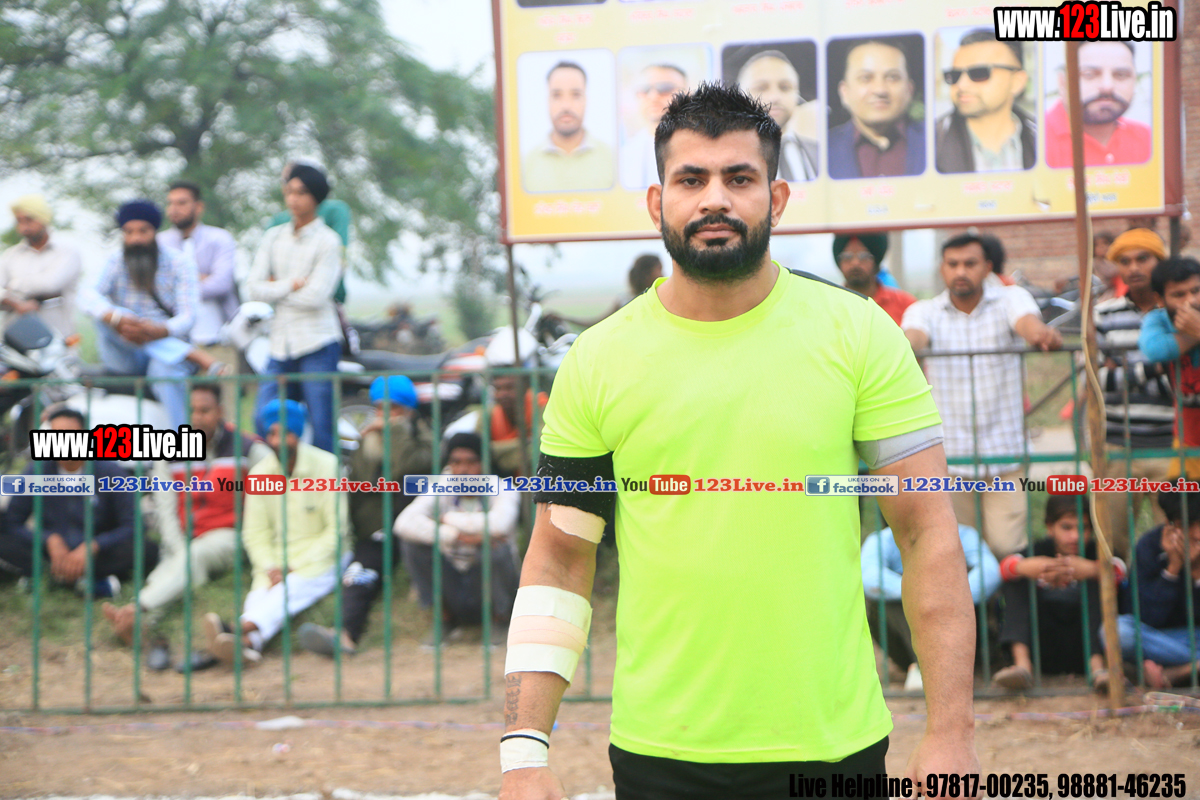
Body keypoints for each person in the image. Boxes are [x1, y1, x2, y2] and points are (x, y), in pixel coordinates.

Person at [499, 83, 979, 800]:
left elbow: (927, 533)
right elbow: (559, 559)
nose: (715, 199)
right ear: (658, 202)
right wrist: (522, 756)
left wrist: (951, 734)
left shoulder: (859, 335)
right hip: (660, 756)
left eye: (740, 178)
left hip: (832, 748)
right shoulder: (597, 361)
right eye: (691, 179)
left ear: (777, 199)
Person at [901, 233, 1063, 558]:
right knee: (961, 551)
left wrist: (1040, 335)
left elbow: (1027, 323)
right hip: (952, 456)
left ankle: (1009, 591)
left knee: (1006, 546)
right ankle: (978, 594)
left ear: (987, 267)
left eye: (970, 263)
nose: (961, 271)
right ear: (942, 269)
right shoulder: (924, 310)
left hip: (1006, 453)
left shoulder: (1010, 298)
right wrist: (903, 347)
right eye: (953, 264)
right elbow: (913, 337)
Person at [102, 385, 268, 671]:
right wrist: (177, 547)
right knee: (167, 572)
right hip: (184, 538)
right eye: (193, 410)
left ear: (221, 411)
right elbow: (165, 508)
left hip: (229, 536)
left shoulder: (247, 448)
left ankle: (134, 609)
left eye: (205, 410)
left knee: (193, 558)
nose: (198, 417)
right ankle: (140, 625)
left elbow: (273, 483)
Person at [202, 399, 346, 665]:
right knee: (259, 596)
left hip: (322, 557)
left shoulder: (327, 466)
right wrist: (270, 567)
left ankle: (234, 629)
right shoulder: (260, 474)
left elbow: (336, 532)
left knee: (291, 588)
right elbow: (254, 533)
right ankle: (247, 645)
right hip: (274, 563)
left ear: (297, 435)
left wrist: (293, 565)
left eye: (285, 433)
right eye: (272, 434)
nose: (277, 441)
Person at [298, 376, 434, 657]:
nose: (384, 416)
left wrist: (395, 433)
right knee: (360, 573)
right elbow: (358, 488)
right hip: (375, 532)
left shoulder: (425, 440)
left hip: (415, 529)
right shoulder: (368, 442)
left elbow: (408, 468)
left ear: (408, 411)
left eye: (393, 409)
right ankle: (345, 634)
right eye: (380, 409)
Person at [0, 408, 158, 597]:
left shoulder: (110, 472)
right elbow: (12, 521)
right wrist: (48, 539)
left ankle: (47, 577)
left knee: (145, 550)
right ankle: (86, 581)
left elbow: (134, 525)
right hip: (50, 552)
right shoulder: (37, 471)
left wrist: (95, 545)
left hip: (98, 554)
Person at [246, 163, 344, 453]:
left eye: (301, 192)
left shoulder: (329, 241)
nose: (293, 199)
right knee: (263, 418)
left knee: (322, 427)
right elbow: (252, 288)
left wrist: (275, 288)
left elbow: (317, 296)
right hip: (280, 343)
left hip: (318, 342)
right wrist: (292, 284)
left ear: (315, 196)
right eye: (289, 191)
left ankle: (325, 482)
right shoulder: (273, 236)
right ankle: (278, 478)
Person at [82, 200, 200, 430]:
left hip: (164, 349)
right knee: (109, 315)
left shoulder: (179, 262)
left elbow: (188, 316)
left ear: (154, 231)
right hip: (125, 351)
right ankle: (198, 357)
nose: (135, 239)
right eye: (129, 232)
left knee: (165, 370)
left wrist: (160, 330)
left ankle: (180, 443)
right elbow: (87, 296)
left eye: (142, 231)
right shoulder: (114, 261)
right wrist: (118, 319)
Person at [394, 432, 520, 646]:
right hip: (454, 581)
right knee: (412, 545)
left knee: (496, 548)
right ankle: (445, 619)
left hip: (490, 585)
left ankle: (501, 619)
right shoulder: (441, 486)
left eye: (471, 462)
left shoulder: (502, 487)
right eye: (456, 462)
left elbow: (499, 525)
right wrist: (455, 535)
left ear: (484, 463)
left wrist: (447, 519)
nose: (463, 469)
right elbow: (403, 523)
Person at [1092, 229, 1173, 556]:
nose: (1134, 268)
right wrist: (1157, 367)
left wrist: (1124, 371)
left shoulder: (1179, 314)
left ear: (1160, 261)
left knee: (1176, 542)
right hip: (1117, 446)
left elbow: (1179, 384)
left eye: (1143, 258)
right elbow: (1096, 381)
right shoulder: (1103, 314)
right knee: (1112, 544)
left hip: (1170, 444)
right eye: (1124, 261)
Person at [993, 497, 1126, 692]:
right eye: (1066, 527)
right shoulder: (1039, 549)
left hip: (1084, 647)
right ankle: (1022, 666)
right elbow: (1004, 568)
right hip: (1043, 647)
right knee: (1017, 580)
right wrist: (1030, 567)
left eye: (1083, 528)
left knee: (1100, 578)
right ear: (1049, 527)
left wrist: (1091, 569)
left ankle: (1098, 670)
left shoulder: (1097, 550)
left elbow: (1121, 570)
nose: (1075, 536)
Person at [862, 524, 1000, 691]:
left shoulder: (964, 534)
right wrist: (922, 593)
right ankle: (923, 665)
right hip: (906, 633)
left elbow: (990, 572)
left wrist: (948, 597)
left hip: (957, 629)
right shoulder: (882, 539)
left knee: (959, 575)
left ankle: (941, 665)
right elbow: (868, 577)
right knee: (887, 597)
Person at [1106, 490, 1200, 689]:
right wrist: (1173, 569)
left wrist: (1196, 572)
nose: (1196, 534)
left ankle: (1181, 671)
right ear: (1171, 525)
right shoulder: (1149, 546)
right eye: (1188, 525)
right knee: (1118, 632)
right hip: (1159, 639)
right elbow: (1143, 617)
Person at [935, 30, 1035, 174]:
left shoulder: (1045, 138)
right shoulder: (930, 143)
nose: (962, 85)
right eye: (954, 75)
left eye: (979, 73)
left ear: (1017, 82)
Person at [158, 182, 239, 353]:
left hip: (220, 336)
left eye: (181, 203)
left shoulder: (219, 238)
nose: (174, 209)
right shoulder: (160, 243)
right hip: (173, 339)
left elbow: (221, 284)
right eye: (170, 203)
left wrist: (179, 285)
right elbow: (157, 288)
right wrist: (200, 278)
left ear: (199, 207)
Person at [1138, 257, 1200, 479]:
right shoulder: (1158, 319)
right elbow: (1155, 348)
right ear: (1160, 300)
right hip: (1188, 440)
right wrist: (1194, 335)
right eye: (1179, 294)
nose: (1191, 300)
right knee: (1178, 496)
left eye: (1196, 290)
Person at [829, 40, 925, 179]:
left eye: (892, 77)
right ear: (844, 92)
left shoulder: (935, 142)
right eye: (865, 78)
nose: (880, 90)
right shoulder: (823, 149)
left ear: (909, 90)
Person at [1045, 41, 1151, 168]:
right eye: (1089, 74)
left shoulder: (1149, 140)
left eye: (1121, 75)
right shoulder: (1036, 140)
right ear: (1062, 83)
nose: (1107, 86)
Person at [268, 160, 351, 307]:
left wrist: (278, 289)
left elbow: (339, 256)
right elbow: (266, 274)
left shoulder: (335, 211)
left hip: (327, 298)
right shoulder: (278, 223)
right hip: (282, 307)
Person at [522, 61, 614, 193]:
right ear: (547, 100)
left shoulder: (613, 161)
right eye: (557, 95)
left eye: (575, 95)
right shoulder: (525, 166)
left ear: (585, 99)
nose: (566, 105)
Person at [0, 194, 82, 338]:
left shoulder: (67, 253)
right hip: (15, 339)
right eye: (19, 221)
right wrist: (17, 304)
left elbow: (51, 283)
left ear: (43, 219)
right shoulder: (10, 256)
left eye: (29, 220)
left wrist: (12, 287)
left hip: (58, 338)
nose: (24, 227)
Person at [737, 51, 818, 182]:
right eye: (761, 88)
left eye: (785, 87)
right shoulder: (727, 157)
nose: (774, 97)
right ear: (740, 96)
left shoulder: (821, 153)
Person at [620, 64, 688, 190]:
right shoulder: (625, 153)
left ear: (686, 95)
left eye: (665, 88)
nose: (653, 96)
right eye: (645, 90)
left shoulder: (702, 146)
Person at [549, 254, 664, 328]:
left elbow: (597, 323)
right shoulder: (626, 300)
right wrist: (565, 318)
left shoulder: (625, 299)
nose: (663, 274)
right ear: (648, 273)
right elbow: (598, 323)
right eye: (659, 269)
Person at [832, 233, 914, 325]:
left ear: (875, 261)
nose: (855, 263)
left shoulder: (905, 305)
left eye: (864, 256)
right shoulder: (829, 305)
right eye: (847, 257)